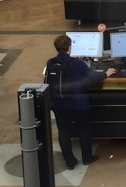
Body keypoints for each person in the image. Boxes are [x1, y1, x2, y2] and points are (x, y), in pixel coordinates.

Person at [46, 33, 117, 170]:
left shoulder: (50, 62)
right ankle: (87, 158)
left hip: (58, 104)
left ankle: (70, 162)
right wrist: (106, 73)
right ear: (70, 48)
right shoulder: (77, 64)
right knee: (84, 129)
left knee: (64, 132)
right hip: (76, 104)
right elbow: (93, 77)